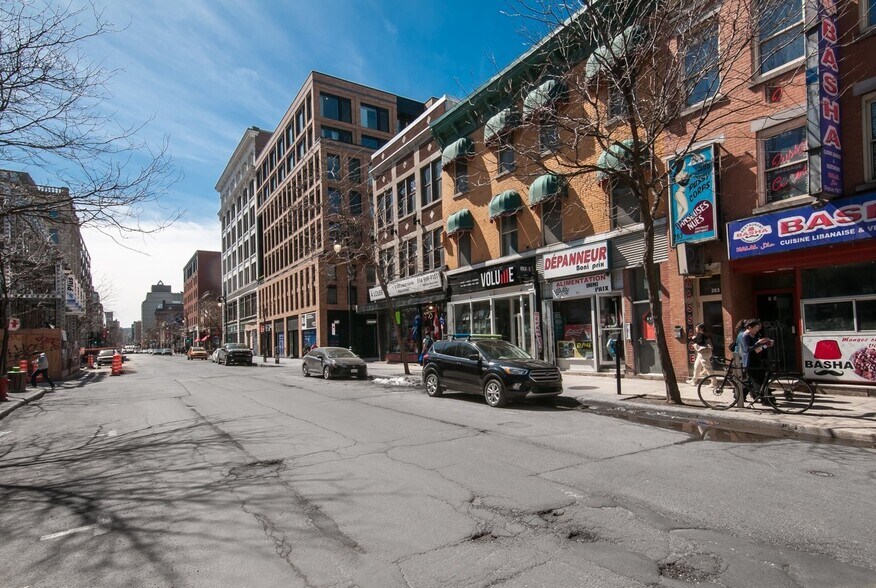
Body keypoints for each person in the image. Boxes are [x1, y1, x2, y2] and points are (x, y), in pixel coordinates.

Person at [735, 319, 773, 403]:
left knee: (750, 380)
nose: (757, 329)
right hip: (749, 361)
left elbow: (757, 349)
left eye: (758, 327)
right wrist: (759, 343)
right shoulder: (744, 336)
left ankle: (739, 394)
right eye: (756, 327)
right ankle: (766, 399)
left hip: (756, 359)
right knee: (757, 380)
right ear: (749, 327)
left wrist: (766, 345)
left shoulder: (754, 335)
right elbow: (747, 349)